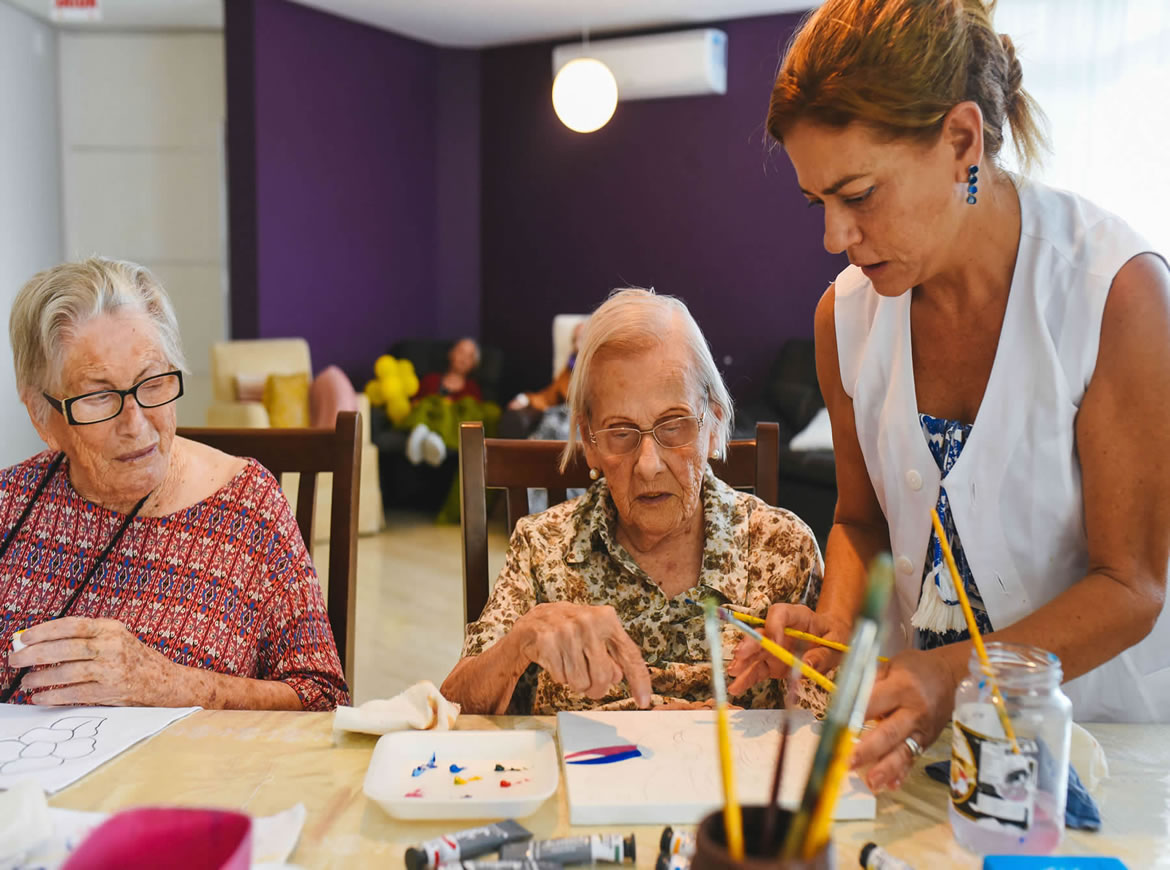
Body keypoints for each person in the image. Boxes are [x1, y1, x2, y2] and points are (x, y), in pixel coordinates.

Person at [729, 0, 1170, 794]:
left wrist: (958, 677)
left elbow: (1131, 585)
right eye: (817, 202)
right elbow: (859, 521)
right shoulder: (847, 315)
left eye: (859, 194)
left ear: (961, 139)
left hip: (1100, 741)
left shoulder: (1117, 293)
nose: (834, 237)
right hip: (916, 752)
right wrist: (838, 627)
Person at [441, 289, 824, 714]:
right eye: (620, 432)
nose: (647, 465)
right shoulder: (542, 546)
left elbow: (837, 736)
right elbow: (454, 709)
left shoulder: (785, 549)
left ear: (713, 423)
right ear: (588, 440)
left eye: (674, 425)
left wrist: (813, 677)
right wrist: (521, 642)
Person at [1, 258, 348, 710]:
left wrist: (168, 685)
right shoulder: (11, 503)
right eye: (99, 396)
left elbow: (323, 701)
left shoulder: (246, 507)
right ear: (43, 417)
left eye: (153, 382)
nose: (136, 422)